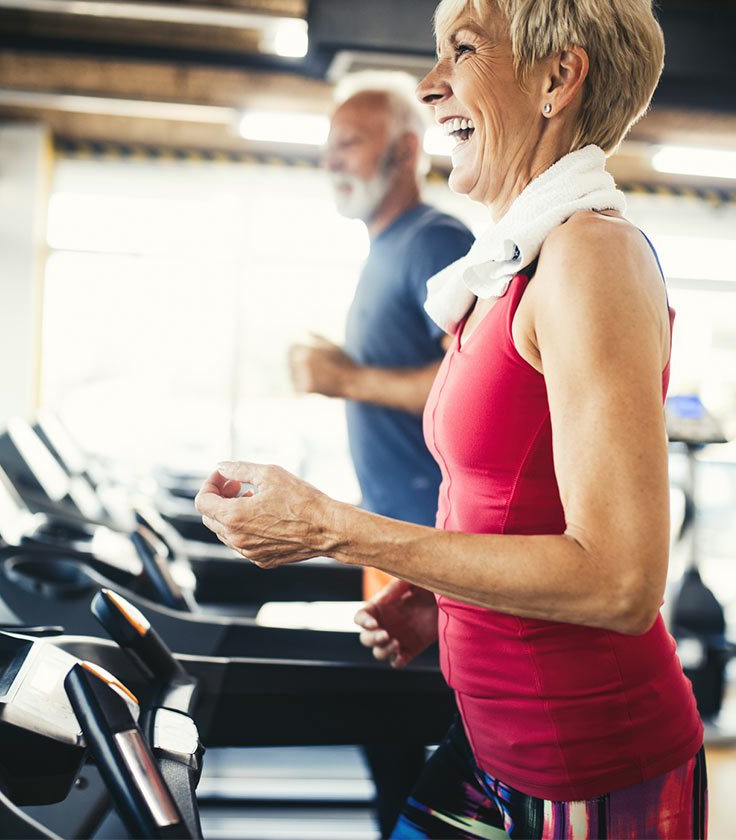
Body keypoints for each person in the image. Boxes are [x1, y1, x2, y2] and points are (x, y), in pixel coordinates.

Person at [197, 0, 707, 837]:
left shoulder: (589, 258)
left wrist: (333, 529)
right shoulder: (514, 265)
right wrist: (446, 600)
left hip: (586, 757)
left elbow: (620, 581)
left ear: (558, 78)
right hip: (486, 739)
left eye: (461, 52)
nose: (431, 87)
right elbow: (520, 501)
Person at [288, 75, 474, 837]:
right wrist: (344, 367)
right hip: (390, 535)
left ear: (404, 150)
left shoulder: (435, 239)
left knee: (418, 754)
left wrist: (347, 377)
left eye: (349, 143)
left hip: (432, 550)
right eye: (327, 146)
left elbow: (476, 382)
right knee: (387, 745)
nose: (332, 161)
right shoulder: (386, 246)